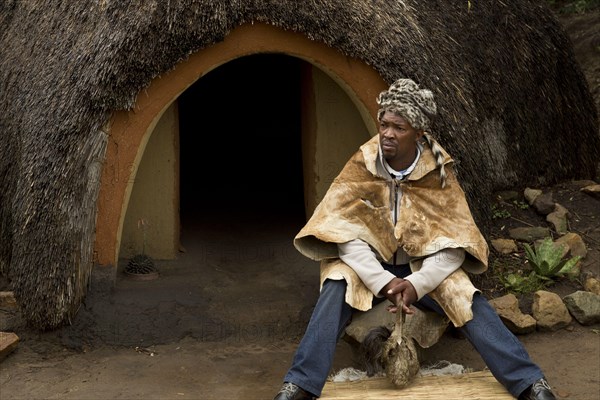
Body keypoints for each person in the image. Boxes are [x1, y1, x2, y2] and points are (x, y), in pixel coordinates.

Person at [273, 79, 557, 400]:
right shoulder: (363, 164)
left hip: (423, 271)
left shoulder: (438, 173)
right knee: (338, 281)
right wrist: (383, 282)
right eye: (384, 124)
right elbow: (344, 235)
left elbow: (455, 246)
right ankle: (300, 384)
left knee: (464, 295)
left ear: (418, 133)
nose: (388, 133)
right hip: (371, 271)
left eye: (399, 127)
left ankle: (528, 382)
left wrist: (417, 284)